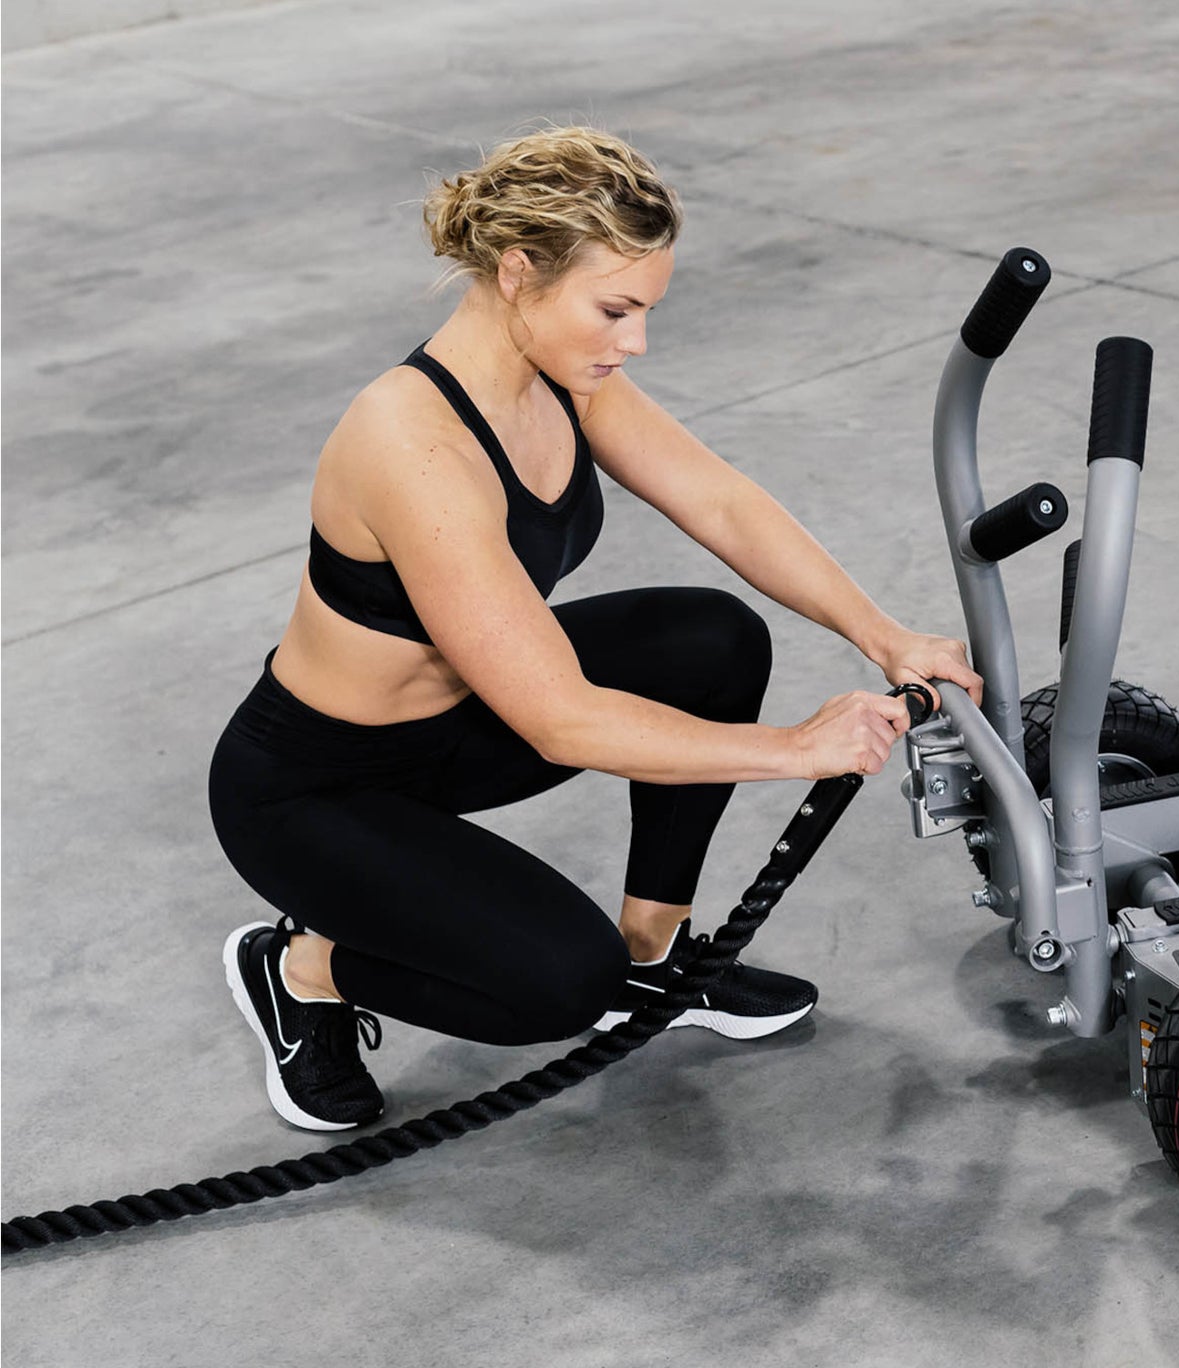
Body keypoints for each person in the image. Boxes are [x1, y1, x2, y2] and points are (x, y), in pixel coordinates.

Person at [206, 125, 982, 1133]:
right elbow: (562, 723)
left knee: (713, 640)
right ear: (521, 273)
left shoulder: (560, 374)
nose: (635, 340)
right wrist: (796, 749)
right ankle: (307, 966)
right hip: (318, 788)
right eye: (616, 309)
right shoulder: (413, 443)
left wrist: (886, 637)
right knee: (558, 986)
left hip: (453, 733)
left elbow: (720, 502)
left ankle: (654, 966)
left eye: (645, 310)